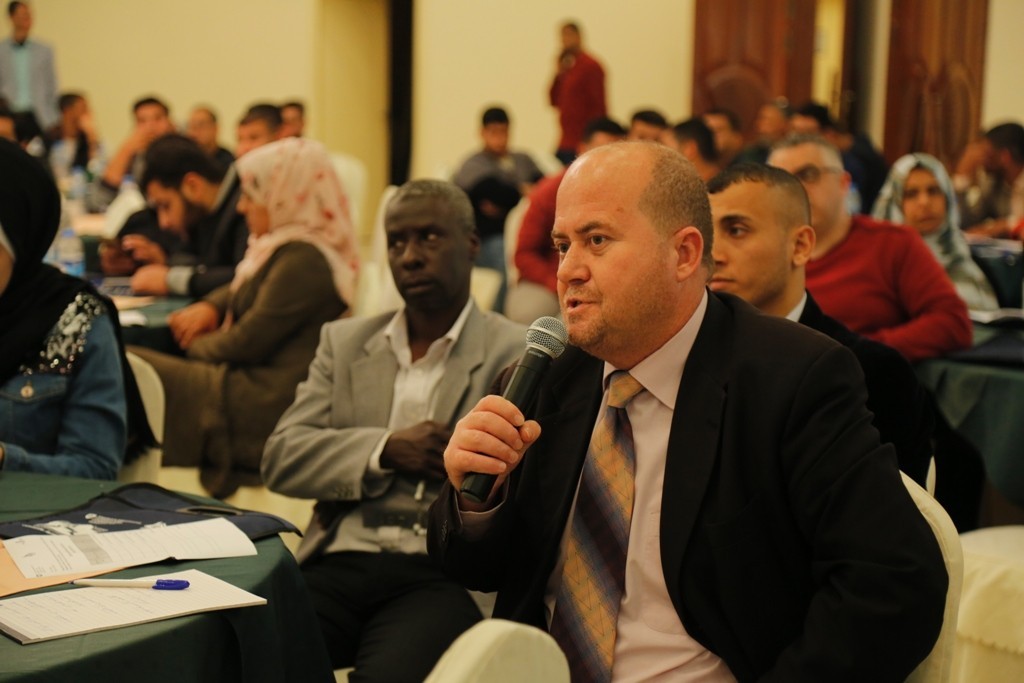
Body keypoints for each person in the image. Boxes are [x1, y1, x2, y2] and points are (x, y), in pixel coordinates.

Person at [429, 141, 946, 682]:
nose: (568, 271)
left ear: (684, 254)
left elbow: (894, 583)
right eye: (562, 245)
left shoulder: (792, 379)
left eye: (597, 240)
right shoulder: (544, 377)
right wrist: (475, 500)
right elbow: (472, 569)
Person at [262, 179, 526, 682]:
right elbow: (281, 457)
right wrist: (385, 449)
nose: (410, 257)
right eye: (396, 241)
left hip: (440, 571)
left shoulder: (516, 352)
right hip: (341, 555)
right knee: (247, 653)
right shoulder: (345, 342)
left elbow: (528, 487)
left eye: (429, 237)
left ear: (472, 244)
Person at [131, 138, 359, 498]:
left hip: (260, 403)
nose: (241, 206)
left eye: (252, 195)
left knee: (129, 367)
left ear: (283, 194)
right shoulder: (282, 247)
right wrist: (212, 306)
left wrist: (192, 344)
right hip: (245, 381)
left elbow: (245, 343)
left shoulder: (305, 260)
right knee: (130, 364)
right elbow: (244, 284)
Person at [707, 162, 934, 485]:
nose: (713, 254)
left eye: (737, 231)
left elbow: (890, 509)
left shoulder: (873, 372)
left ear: (800, 246)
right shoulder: (690, 354)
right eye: (707, 234)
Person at [0, 139, 153, 479]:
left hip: (37, 511)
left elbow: (94, 468)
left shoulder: (75, 320)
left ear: (20, 244)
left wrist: (3, 459)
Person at [768, 134, 972, 362]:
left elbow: (952, 322)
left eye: (808, 175)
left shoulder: (892, 243)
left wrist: (859, 352)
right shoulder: (764, 253)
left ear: (843, 183)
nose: (795, 189)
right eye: (782, 181)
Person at [506, 116, 625, 325]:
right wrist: (558, 282)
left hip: (607, 281)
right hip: (552, 279)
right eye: (599, 153)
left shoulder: (626, 194)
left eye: (615, 157)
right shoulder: (550, 191)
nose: (606, 164)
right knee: (529, 313)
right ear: (581, 150)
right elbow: (524, 254)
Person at [100, 134, 249, 299]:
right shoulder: (204, 213)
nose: (164, 222)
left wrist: (170, 280)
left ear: (193, 185)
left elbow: (246, 276)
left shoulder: (246, 204)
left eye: (166, 206)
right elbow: (202, 265)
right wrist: (162, 262)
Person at [874, 152, 999, 311]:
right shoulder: (880, 267)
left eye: (933, 191)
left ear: (947, 198)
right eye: (911, 194)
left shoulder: (963, 260)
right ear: (895, 204)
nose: (924, 202)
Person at [453, 106, 543, 311]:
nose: (499, 138)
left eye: (503, 132)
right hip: (485, 240)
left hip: (527, 234)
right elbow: (494, 193)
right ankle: (499, 317)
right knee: (506, 260)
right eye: (493, 132)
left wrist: (507, 199)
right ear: (482, 133)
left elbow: (544, 188)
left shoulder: (523, 160)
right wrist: (521, 192)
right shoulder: (473, 165)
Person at [85, 95, 174, 213]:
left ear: (170, 122)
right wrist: (126, 150)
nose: (150, 127)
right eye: (142, 121)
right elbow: (98, 202)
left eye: (157, 119)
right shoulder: (133, 156)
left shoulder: (181, 153)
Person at [549, 21, 606, 166]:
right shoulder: (567, 68)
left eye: (569, 35)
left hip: (581, 140)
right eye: (563, 36)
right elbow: (553, 100)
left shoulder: (591, 66)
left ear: (579, 36)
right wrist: (558, 73)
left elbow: (598, 105)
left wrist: (594, 140)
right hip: (566, 139)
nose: (565, 40)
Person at [954, 122, 1024, 238]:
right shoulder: (993, 185)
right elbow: (966, 224)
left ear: (1005, 156)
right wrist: (961, 180)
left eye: (986, 153)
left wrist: (1008, 224)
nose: (981, 160)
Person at [0, 2, 57, 131]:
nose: (26, 20)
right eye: (21, 15)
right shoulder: (1, 50)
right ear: (11, 17)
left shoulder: (44, 50)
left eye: (28, 15)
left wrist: (53, 117)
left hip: (38, 115)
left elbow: (51, 85)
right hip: (9, 114)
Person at [46, 92, 101, 180]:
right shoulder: (49, 138)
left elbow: (98, 171)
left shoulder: (86, 141)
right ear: (67, 111)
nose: (88, 113)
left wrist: (92, 139)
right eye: (83, 108)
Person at [185, 106, 234, 171]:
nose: (194, 132)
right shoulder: (184, 161)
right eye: (191, 126)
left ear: (215, 128)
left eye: (201, 125)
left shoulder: (228, 162)